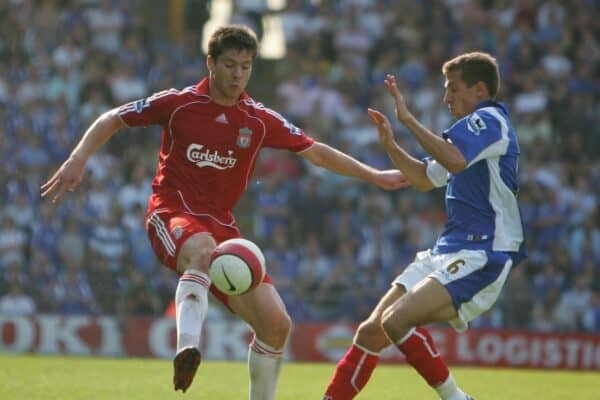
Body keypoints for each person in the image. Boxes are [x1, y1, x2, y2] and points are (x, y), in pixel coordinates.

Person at [41, 25, 406, 398]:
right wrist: (77, 159)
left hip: (223, 229)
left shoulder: (258, 120)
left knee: (277, 325)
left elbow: (316, 152)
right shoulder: (179, 104)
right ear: (210, 63)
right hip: (170, 213)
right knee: (201, 250)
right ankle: (187, 345)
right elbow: (113, 118)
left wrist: (374, 175)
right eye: (230, 64)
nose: (237, 74)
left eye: (245, 66)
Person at [323, 52, 527, 400]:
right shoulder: (468, 137)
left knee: (395, 321)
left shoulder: (490, 120)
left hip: (484, 250)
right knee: (372, 331)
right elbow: (422, 177)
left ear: (479, 89)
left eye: (453, 89)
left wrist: (409, 119)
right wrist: (391, 144)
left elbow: (454, 159)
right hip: (446, 250)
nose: (446, 98)